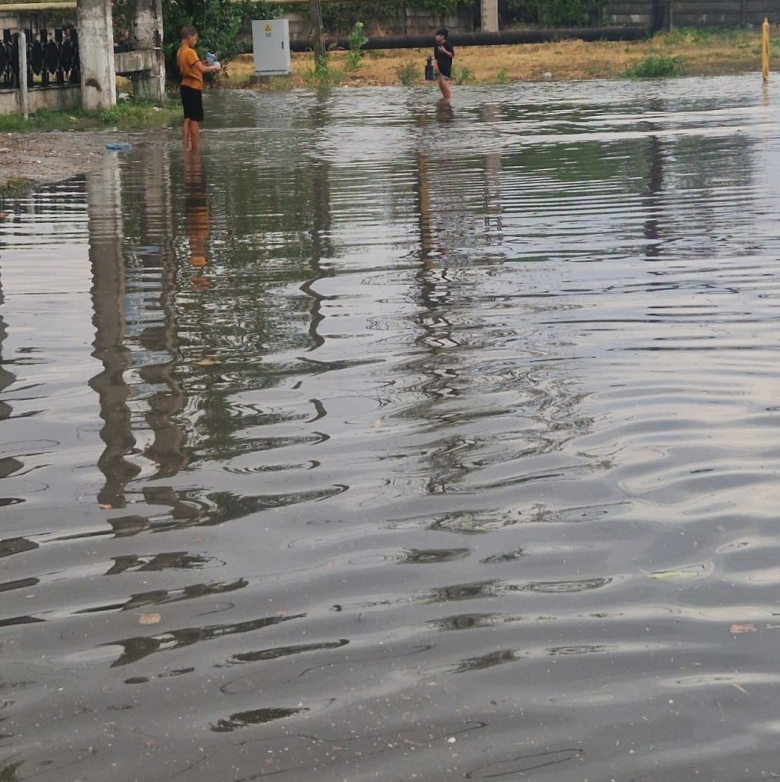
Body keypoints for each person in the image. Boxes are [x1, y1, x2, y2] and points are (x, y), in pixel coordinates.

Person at [177, 25, 222, 153]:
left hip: (184, 86)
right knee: (195, 120)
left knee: (187, 118)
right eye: (195, 39)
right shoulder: (190, 52)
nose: (195, 41)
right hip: (193, 87)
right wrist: (215, 67)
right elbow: (201, 70)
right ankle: (196, 150)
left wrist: (204, 62)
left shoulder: (180, 51)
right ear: (189, 37)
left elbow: (195, 66)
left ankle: (186, 148)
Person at [433, 28, 454, 101]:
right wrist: (436, 67)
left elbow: (452, 55)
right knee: (440, 84)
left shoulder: (448, 44)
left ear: (442, 36)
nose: (436, 37)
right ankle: (445, 97)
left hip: (446, 66)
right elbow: (435, 58)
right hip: (439, 66)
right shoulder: (436, 46)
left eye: (437, 35)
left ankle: (449, 98)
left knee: (445, 83)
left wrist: (444, 51)